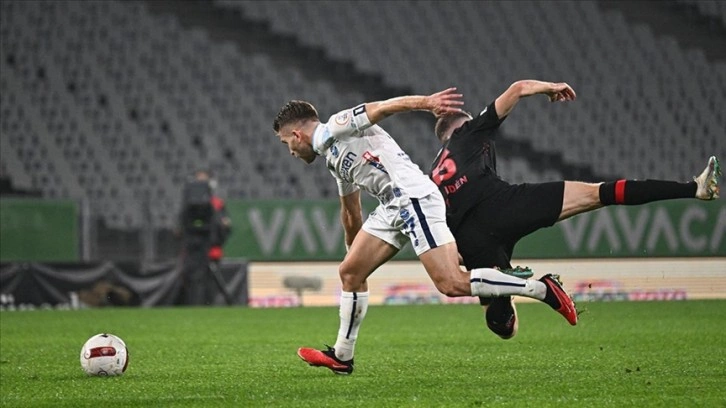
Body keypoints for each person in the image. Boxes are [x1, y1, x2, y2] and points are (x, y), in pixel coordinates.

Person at [272, 88, 578, 375]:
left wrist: (427, 102)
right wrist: (355, 251)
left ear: (297, 134)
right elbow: (351, 211)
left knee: (451, 283)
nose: (291, 152)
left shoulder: (334, 127)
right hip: (392, 206)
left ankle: (542, 289)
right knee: (350, 272)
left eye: (287, 144)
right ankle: (342, 355)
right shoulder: (333, 157)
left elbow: (382, 107)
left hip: (412, 196)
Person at [430, 79, 722, 339]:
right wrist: (549, 88)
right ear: (462, 123)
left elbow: (436, 225)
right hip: (503, 205)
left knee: (506, 327)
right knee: (599, 193)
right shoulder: (470, 131)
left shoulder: (430, 175)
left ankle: (509, 287)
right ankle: (693, 188)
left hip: (470, 240)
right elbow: (517, 89)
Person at [177, 170, 233, 305]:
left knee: (209, 280)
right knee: (190, 276)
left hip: (210, 250)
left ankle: (209, 302)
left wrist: (221, 229)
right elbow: (181, 225)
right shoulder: (188, 206)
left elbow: (223, 226)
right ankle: (192, 302)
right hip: (192, 248)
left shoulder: (217, 204)